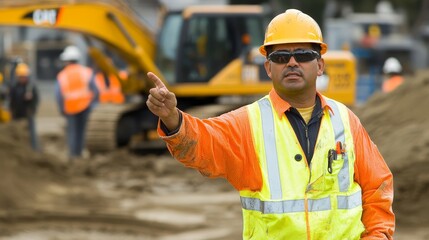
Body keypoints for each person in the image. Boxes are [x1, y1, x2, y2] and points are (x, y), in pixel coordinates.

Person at [146, 9, 394, 239]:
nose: (292, 62)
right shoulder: (248, 124)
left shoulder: (345, 121)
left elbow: (377, 187)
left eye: (304, 55)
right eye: (281, 56)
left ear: (320, 65)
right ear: (268, 67)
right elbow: (202, 144)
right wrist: (172, 118)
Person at [55, 45, 98, 161]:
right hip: (85, 107)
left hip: (70, 108)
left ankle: (73, 156)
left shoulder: (62, 75)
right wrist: (92, 105)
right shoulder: (87, 72)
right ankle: (80, 154)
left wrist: (61, 109)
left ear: (67, 61)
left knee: (72, 133)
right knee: (82, 132)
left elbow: (59, 95)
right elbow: (95, 90)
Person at [8, 62, 40, 151]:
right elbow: (11, 100)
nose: (22, 78)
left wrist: (32, 109)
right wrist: (11, 111)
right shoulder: (14, 87)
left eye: (24, 76)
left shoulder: (31, 87)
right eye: (21, 76)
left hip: (28, 113)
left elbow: (36, 100)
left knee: (31, 134)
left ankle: (34, 149)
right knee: (16, 133)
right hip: (17, 114)